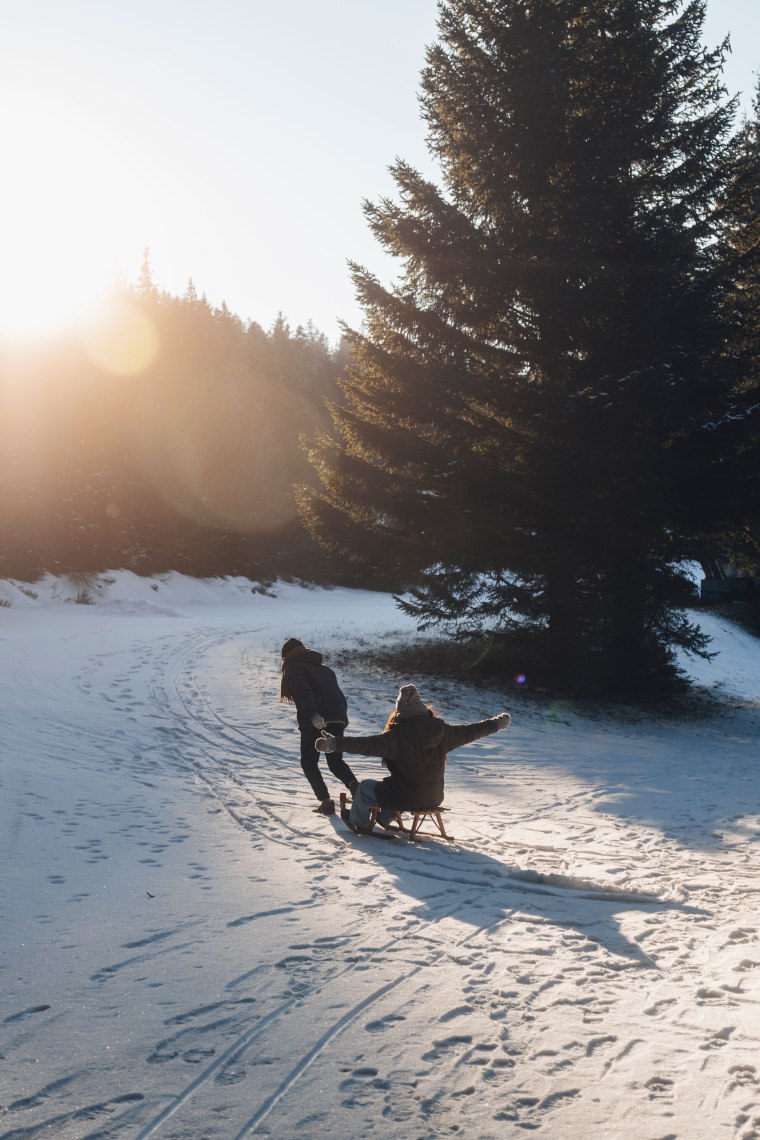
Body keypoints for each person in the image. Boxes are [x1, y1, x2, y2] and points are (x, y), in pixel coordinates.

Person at [316, 683, 511, 831]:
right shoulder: (442, 731)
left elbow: (364, 744)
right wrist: (497, 723)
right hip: (435, 797)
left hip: (407, 797)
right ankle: (385, 817)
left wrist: (335, 744)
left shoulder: (396, 736)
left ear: (399, 710)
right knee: (398, 783)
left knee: (367, 787)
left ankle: (357, 822)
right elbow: (472, 731)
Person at [280, 637, 359, 815]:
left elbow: (303, 692)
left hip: (315, 721)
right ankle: (357, 789)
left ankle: (326, 801)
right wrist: (341, 719)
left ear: (287, 657)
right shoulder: (325, 670)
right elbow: (338, 696)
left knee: (309, 762)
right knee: (336, 761)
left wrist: (314, 715)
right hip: (338, 718)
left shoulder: (293, 668)